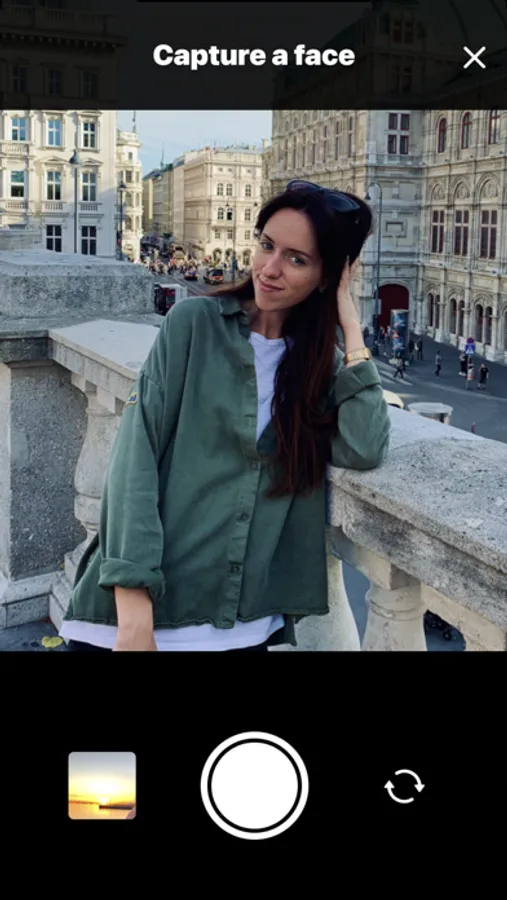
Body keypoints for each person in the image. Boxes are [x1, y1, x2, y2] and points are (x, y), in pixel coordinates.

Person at [60, 181, 390, 652]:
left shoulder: (320, 370)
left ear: (327, 278)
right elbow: (136, 455)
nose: (269, 269)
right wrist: (134, 608)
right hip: (138, 615)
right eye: (267, 246)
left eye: (296, 259)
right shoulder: (193, 324)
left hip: (241, 625)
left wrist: (351, 326)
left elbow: (363, 447)